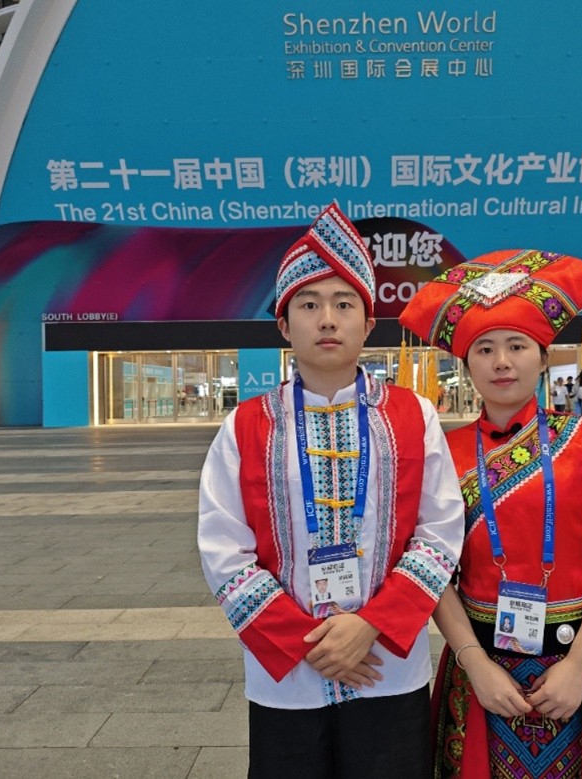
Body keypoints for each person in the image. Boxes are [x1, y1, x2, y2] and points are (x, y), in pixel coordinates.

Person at [197, 204, 465, 779]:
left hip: (387, 664)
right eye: (308, 304)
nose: (326, 319)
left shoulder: (413, 415)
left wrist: (370, 625)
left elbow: (440, 533)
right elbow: (223, 549)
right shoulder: (245, 426)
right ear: (283, 324)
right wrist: (307, 641)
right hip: (288, 673)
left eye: (344, 304)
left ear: (367, 324)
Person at [399, 248, 582, 778]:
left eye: (517, 346)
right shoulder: (441, 452)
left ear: (543, 358)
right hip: (480, 670)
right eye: (485, 349)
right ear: (465, 365)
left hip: (577, 663)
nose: (502, 361)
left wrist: (579, 665)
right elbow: (431, 571)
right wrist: (475, 663)